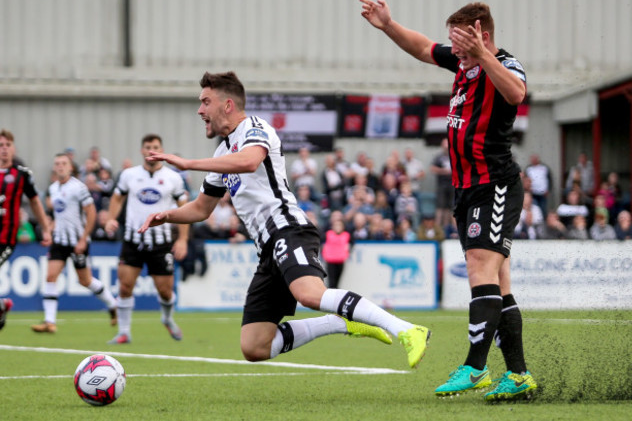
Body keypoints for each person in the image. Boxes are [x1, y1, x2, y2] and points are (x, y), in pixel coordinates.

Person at [138, 71, 430, 368]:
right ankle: (338, 323)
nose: (200, 110)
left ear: (227, 105)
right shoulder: (223, 152)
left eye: (205, 102)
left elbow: (250, 161)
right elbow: (201, 209)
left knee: (309, 294)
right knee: (254, 346)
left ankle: (406, 329)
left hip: (287, 229)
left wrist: (188, 163)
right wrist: (168, 216)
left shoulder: (255, 127)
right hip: (267, 248)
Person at [361, 0, 536, 400]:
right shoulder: (462, 64)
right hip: (467, 188)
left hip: (495, 185)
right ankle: (519, 374)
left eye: (461, 42)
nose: (453, 50)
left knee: (479, 265)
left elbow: (517, 94)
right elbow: (424, 47)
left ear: (482, 35)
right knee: (499, 280)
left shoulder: (503, 65)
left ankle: (475, 367)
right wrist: (388, 25)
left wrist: (482, 57)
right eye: (454, 43)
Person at [104, 134, 189, 344]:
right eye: (148, 147)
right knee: (125, 286)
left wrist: (183, 240)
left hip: (161, 242)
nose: (152, 150)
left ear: (161, 151)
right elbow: (117, 197)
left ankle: (167, 319)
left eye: (156, 147)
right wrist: (111, 219)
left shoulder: (174, 178)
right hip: (133, 240)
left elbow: (185, 209)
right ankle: (124, 332)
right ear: (142, 151)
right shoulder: (128, 175)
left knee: (166, 291)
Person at [31, 154, 118, 333]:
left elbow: (91, 212)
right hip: (60, 240)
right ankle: (50, 322)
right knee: (50, 277)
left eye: (64, 163)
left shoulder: (79, 187)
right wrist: (50, 229)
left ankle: (113, 304)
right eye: (57, 164)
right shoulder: (53, 189)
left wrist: (83, 238)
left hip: (77, 240)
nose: (60, 166)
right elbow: (60, 214)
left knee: (85, 280)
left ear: (71, 168)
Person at [0, 129, 52, 265]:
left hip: (6, 238)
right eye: (1, 145)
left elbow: (35, 202)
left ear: (13, 149)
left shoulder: (22, 174)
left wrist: (46, 229)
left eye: (8, 145)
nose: (4, 148)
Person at [430, 138, 454, 229]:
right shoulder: (439, 157)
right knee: (440, 207)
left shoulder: (454, 156)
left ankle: (448, 228)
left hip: (453, 185)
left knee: (451, 207)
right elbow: (432, 168)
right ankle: (437, 228)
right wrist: (444, 171)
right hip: (442, 185)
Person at [321, 219, 351, 289]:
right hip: (330, 260)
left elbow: (350, 245)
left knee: (338, 281)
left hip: (340, 260)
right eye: (336, 225)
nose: (338, 227)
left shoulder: (346, 235)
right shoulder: (328, 234)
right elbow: (322, 244)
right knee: (332, 282)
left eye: (339, 225)